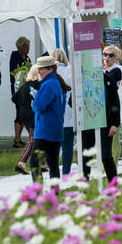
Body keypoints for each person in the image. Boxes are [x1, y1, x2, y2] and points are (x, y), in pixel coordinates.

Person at [80, 45, 120, 182]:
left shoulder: (108, 81)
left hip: (105, 123)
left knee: (105, 156)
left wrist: (115, 124)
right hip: (87, 123)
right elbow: (72, 102)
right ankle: (84, 187)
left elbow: (115, 104)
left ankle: (113, 184)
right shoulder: (82, 82)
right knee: (86, 155)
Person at [31, 56, 68, 182]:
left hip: (44, 130)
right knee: (53, 165)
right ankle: (55, 194)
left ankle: (37, 194)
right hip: (56, 129)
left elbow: (39, 106)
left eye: (42, 69)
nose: (39, 71)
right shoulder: (57, 83)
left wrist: (33, 103)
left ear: (51, 69)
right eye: (39, 69)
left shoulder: (48, 85)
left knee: (34, 164)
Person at [50, 48, 75, 176]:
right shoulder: (70, 71)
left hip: (53, 114)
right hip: (69, 113)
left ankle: (53, 170)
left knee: (53, 145)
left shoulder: (50, 73)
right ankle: (66, 171)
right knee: (67, 145)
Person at [13, 65, 42, 176]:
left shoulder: (24, 85)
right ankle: (21, 162)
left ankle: (42, 163)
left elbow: (14, 98)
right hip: (32, 113)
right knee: (33, 139)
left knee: (37, 138)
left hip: (23, 114)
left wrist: (22, 104)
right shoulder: (38, 85)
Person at [9, 36, 31, 147]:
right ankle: (17, 139)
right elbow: (15, 72)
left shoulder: (27, 58)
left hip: (25, 90)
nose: (29, 49)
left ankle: (17, 139)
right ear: (22, 47)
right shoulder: (15, 56)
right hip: (18, 90)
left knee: (23, 113)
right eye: (27, 47)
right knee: (19, 113)